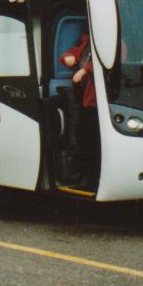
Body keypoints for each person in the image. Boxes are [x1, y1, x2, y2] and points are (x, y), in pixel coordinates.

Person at [58, 31, 96, 183]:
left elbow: (111, 62)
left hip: (94, 102)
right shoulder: (85, 42)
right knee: (81, 139)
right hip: (82, 101)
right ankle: (84, 175)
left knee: (92, 140)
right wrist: (67, 58)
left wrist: (84, 70)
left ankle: (92, 176)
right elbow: (70, 54)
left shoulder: (117, 43)